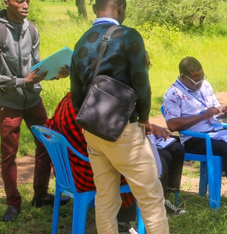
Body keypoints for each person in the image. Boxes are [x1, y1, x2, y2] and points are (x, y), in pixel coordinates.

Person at [70, 0, 186, 234]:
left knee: (105, 202)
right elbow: (142, 85)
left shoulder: (81, 41)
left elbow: (77, 96)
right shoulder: (129, 36)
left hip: (94, 132)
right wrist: (144, 119)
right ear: (120, 8)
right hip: (124, 130)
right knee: (151, 202)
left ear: (97, 8)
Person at [0, 0, 67, 222]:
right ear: (7, 3)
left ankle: (40, 195)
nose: (25, 5)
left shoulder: (32, 30)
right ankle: (12, 204)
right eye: (20, 2)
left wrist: (56, 73)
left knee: (47, 144)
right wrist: (21, 81)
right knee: (9, 154)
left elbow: (36, 68)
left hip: (33, 98)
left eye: (27, 1)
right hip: (8, 102)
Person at [47, 90, 187, 225]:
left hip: (73, 167)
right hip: (88, 170)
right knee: (155, 162)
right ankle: (126, 221)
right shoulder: (88, 108)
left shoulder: (69, 100)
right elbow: (111, 141)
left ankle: (162, 204)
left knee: (170, 151)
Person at [164, 57, 227, 201]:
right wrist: (203, 116)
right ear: (183, 76)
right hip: (195, 138)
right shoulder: (173, 94)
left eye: (202, 78)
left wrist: (222, 112)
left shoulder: (206, 86)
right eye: (196, 80)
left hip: (217, 132)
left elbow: (214, 110)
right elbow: (172, 125)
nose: (200, 83)